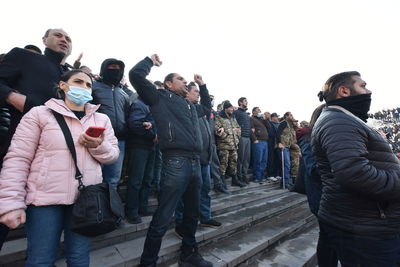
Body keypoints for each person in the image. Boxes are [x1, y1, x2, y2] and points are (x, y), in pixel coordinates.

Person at [0, 70, 119, 266]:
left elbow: (112, 155)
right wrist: (11, 202)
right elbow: (18, 159)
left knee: (79, 258)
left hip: (85, 200)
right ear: (63, 85)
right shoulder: (39, 114)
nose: (84, 87)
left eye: (88, 85)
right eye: (78, 82)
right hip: (45, 201)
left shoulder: (101, 119)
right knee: (40, 260)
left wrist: (97, 146)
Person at [129, 54, 212, 267]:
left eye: (187, 80)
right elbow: (135, 76)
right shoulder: (159, 98)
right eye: (181, 79)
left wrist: (203, 87)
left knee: (192, 214)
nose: (186, 82)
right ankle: (148, 262)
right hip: (175, 163)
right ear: (168, 84)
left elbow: (207, 109)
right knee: (164, 216)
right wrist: (150, 61)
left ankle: (189, 253)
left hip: (195, 162)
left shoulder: (191, 106)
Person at [312, 71, 400, 266]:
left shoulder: (343, 119)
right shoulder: (338, 121)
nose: (368, 91)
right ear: (344, 91)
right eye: (362, 86)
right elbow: (354, 173)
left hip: (365, 222)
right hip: (364, 229)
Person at [0, 28, 72, 250]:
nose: (64, 40)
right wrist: (16, 99)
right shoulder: (24, 56)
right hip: (16, 147)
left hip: (54, 160)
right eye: (58, 35)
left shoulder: (70, 76)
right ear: (44, 40)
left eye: (68, 38)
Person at [175, 79, 221, 232]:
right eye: (195, 92)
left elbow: (207, 106)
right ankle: (180, 223)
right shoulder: (183, 108)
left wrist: (202, 85)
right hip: (190, 159)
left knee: (205, 190)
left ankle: (205, 217)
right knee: (184, 194)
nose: (198, 95)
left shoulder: (199, 110)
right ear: (186, 93)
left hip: (205, 158)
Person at [92, 58, 130, 189]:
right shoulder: (93, 86)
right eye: (111, 67)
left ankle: (110, 208)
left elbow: (127, 115)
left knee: (113, 179)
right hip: (97, 139)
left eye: (118, 68)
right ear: (104, 69)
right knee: (93, 177)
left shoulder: (124, 94)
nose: (115, 70)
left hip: (118, 141)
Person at [125, 96, 157, 224]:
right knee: (136, 180)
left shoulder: (150, 106)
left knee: (147, 179)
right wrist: (153, 134)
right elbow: (135, 124)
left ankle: (143, 207)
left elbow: (154, 123)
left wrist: (154, 131)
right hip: (139, 146)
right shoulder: (139, 104)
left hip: (150, 147)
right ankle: (131, 211)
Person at [215, 101, 245, 187]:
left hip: (234, 144)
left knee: (234, 162)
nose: (232, 109)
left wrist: (237, 137)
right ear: (226, 109)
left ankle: (234, 180)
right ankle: (222, 181)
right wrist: (226, 136)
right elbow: (217, 130)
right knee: (223, 163)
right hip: (224, 145)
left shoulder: (232, 118)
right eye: (230, 108)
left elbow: (238, 128)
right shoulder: (219, 117)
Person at [234, 97, 251, 184]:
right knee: (240, 158)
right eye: (245, 101)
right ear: (240, 102)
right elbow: (233, 123)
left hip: (248, 138)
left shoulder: (246, 114)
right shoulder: (236, 112)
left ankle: (244, 175)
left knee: (246, 159)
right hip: (241, 138)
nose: (247, 102)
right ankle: (239, 177)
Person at [276, 111, 296, 187]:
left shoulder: (290, 125)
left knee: (288, 164)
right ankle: (285, 182)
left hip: (288, 146)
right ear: (286, 116)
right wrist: (279, 143)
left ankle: (286, 181)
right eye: (290, 115)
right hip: (283, 146)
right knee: (286, 164)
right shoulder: (283, 123)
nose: (292, 116)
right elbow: (278, 133)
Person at [250, 107, 269, 184]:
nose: (260, 111)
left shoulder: (261, 120)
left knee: (264, 160)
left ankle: (261, 176)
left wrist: (265, 119)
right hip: (258, 142)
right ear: (254, 112)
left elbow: (269, 127)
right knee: (258, 160)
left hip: (265, 142)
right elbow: (251, 129)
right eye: (258, 110)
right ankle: (257, 177)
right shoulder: (251, 119)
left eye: (260, 110)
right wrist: (254, 139)